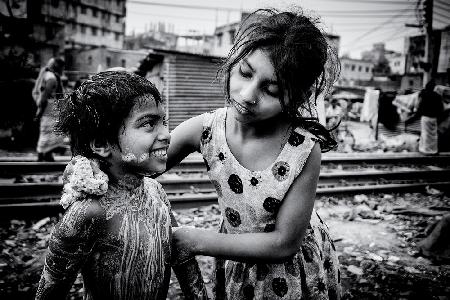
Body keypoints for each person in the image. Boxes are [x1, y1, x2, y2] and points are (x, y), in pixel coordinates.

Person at [165, 8, 341, 299]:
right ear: (233, 61)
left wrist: (195, 240)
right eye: (245, 73)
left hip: (289, 272)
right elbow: (146, 165)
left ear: (296, 97)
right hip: (237, 255)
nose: (247, 94)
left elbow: (285, 243)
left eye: (271, 89)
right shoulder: (206, 129)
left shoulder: (303, 148)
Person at [35, 71, 208, 299]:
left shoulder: (156, 192)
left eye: (164, 122)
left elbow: (183, 260)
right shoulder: (88, 212)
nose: (166, 134)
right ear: (101, 143)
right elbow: (50, 290)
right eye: (149, 124)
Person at [33, 57, 67, 162]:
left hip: (49, 109)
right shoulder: (51, 78)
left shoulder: (48, 76)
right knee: (51, 133)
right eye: (62, 67)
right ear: (58, 66)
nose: (63, 70)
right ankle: (45, 154)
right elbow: (45, 97)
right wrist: (39, 111)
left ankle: (44, 154)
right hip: (50, 109)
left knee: (46, 133)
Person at [406, 80, 443, 154]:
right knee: (434, 135)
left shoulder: (423, 94)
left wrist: (413, 116)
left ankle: (425, 149)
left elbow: (420, 106)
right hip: (434, 118)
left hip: (425, 118)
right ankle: (433, 150)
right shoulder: (438, 96)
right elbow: (440, 108)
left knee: (425, 134)